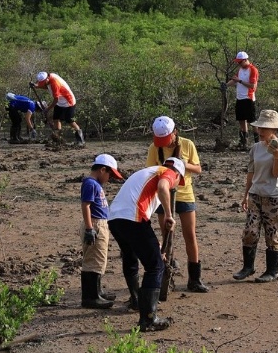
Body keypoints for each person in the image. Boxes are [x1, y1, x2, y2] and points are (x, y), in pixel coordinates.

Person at [108, 156, 186, 331]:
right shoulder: (168, 172)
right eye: (178, 182)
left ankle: (136, 301)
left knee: (130, 257)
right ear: (178, 175)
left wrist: (156, 247)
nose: (175, 186)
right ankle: (148, 319)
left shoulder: (148, 172)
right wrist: (168, 214)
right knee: (155, 266)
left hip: (115, 218)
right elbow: (163, 187)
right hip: (132, 218)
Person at [146, 116, 208, 292]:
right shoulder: (154, 148)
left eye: (166, 139)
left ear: (175, 132)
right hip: (163, 195)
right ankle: (166, 275)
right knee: (167, 236)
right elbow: (149, 171)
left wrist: (182, 164)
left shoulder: (187, 144)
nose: (164, 144)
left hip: (185, 194)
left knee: (190, 235)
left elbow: (198, 169)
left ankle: (194, 279)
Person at [234, 108, 278, 283]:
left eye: (265, 128)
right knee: (250, 231)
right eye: (260, 127)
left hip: (274, 196)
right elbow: (251, 172)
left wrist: (276, 155)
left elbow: (276, 173)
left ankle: (273, 270)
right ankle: (248, 267)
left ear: (274, 129)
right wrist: (245, 195)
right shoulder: (255, 148)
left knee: (272, 233)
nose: (261, 131)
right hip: (255, 194)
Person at [79, 154, 125, 309]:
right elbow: (86, 206)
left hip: (99, 224)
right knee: (93, 260)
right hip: (95, 224)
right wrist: (89, 228)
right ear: (102, 170)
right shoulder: (90, 183)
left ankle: (97, 292)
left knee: (99, 260)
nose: (109, 179)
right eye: (109, 174)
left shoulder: (95, 184)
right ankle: (90, 297)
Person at [34, 71, 83, 146]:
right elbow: (46, 86)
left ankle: (80, 140)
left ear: (47, 78)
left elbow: (55, 99)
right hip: (60, 102)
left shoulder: (55, 83)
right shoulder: (49, 77)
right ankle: (58, 139)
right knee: (56, 119)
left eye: (43, 82)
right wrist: (35, 86)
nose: (42, 83)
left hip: (68, 102)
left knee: (69, 120)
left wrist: (48, 109)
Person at [227, 51, 260, 147]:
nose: (239, 63)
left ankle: (257, 143)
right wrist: (226, 85)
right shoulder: (240, 70)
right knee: (241, 120)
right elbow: (235, 80)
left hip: (248, 99)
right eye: (238, 62)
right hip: (240, 99)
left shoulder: (253, 70)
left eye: (240, 62)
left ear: (245, 60)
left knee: (253, 122)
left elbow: (252, 86)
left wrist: (240, 81)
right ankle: (243, 142)